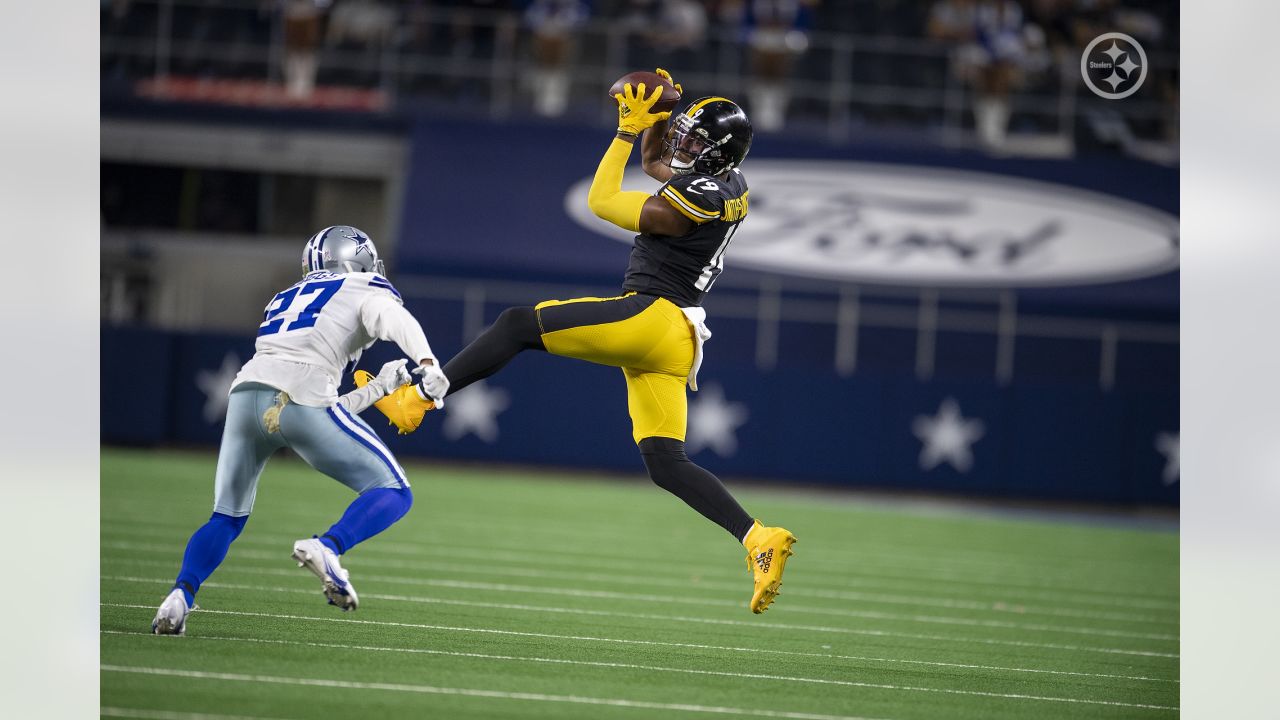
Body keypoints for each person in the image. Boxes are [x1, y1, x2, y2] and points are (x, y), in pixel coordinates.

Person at [367, 69, 797, 614]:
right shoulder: (729, 182)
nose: (681, 144)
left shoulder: (694, 199)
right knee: (666, 463)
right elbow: (655, 164)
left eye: (694, 140)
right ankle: (759, 538)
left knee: (517, 324)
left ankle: (418, 398)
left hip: (652, 318)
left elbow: (603, 200)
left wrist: (622, 131)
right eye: (683, 133)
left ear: (717, 154)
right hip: (681, 336)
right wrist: (656, 119)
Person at [151, 225, 450, 635]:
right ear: (357, 258)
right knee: (395, 492)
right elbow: (391, 319)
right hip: (301, 395)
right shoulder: (362, 285)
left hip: (246, 395)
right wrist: (428, 363)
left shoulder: (286, 296)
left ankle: (180, 595)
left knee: (225, 517)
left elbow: (314, 411)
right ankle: (327, 546)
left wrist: (381, 387)